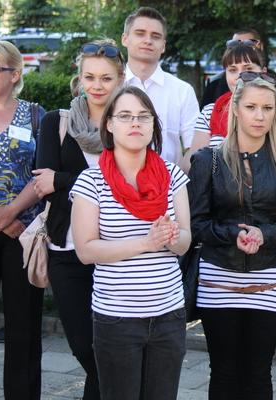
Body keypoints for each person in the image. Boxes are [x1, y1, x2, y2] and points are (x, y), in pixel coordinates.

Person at [188, 73, 276, 399]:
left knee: (258, 374)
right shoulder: (208, 160)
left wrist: (264, 234)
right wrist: (234, 234)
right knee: (223, 372)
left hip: (268, 281)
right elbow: (196, 224)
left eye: (267, 108)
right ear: (235, 110)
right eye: (251, 107)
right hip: (218, 280)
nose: (259, 116)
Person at [70, 86, 192, 400]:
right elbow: (85, 250)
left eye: (143, 116)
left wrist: (171, 236)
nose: (135, 123)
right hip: (116, 318)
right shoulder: (91, 181)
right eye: (125, 116)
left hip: (169, 315)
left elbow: (185, 242)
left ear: (153, 124)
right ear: (109, 124)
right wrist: (146, 242)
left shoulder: (173, 175)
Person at [32, 39, 126, 400]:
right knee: (84, 346)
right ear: (79, 76)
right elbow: (44, 187)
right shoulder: (56, 123)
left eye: (106, 78)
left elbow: (133, 186)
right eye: (89, 77)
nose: (97, 86)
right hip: (66, 250)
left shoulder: (130, 121)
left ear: (120, 79)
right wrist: (97, 184)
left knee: (110, 350)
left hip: (116, 251)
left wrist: (63, 180)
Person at [0, 40, 44, 400]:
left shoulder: (36, 115)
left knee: (24, 327)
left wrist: (13, 213)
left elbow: (44, 172)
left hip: (24, 234)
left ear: (15, 74)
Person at [182, 42, 276, 170]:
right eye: (232, 70)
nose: (240, 76)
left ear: (263, 72)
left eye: (248, 69)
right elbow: (193, 166)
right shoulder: (210, 112)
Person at [122, 6, 199, 165]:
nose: (148, 40)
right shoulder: (111, 86)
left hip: (169, 179)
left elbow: (194, 148)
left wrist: (179, 176)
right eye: (140, 33)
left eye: (155, 36)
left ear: (163, 45)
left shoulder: (182, 91)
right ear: (125, 39)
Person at [200, 28, 276, 126]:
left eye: (248, 43)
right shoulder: (215, 85)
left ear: (260, 46)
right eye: (237, 44)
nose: (242, 48)